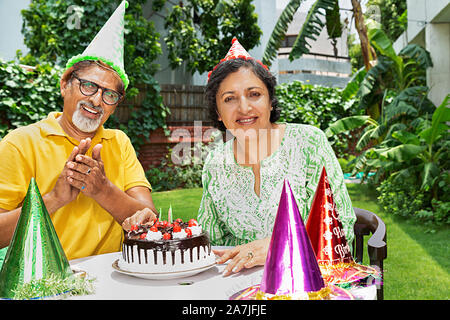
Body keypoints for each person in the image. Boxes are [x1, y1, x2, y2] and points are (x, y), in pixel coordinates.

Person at [0, 1, 157, 261]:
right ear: (65, 84)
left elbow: (149, 219)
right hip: (45, 285)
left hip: (113, 280)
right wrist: (54, 198)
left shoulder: (119, 142)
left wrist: (102, 189)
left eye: (109, 95)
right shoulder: (20, 143)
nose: (96, 100)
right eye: (89, 86)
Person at [197, 38, 356, 276]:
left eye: (254, 94)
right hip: (240, 286)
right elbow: (210, 241)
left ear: (270, 101)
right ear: (218, 112)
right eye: (229, 98)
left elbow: (340, 229)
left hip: (310, 280)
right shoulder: (215, 163)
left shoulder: (309, 143)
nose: (244, 108)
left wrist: (276, 247)